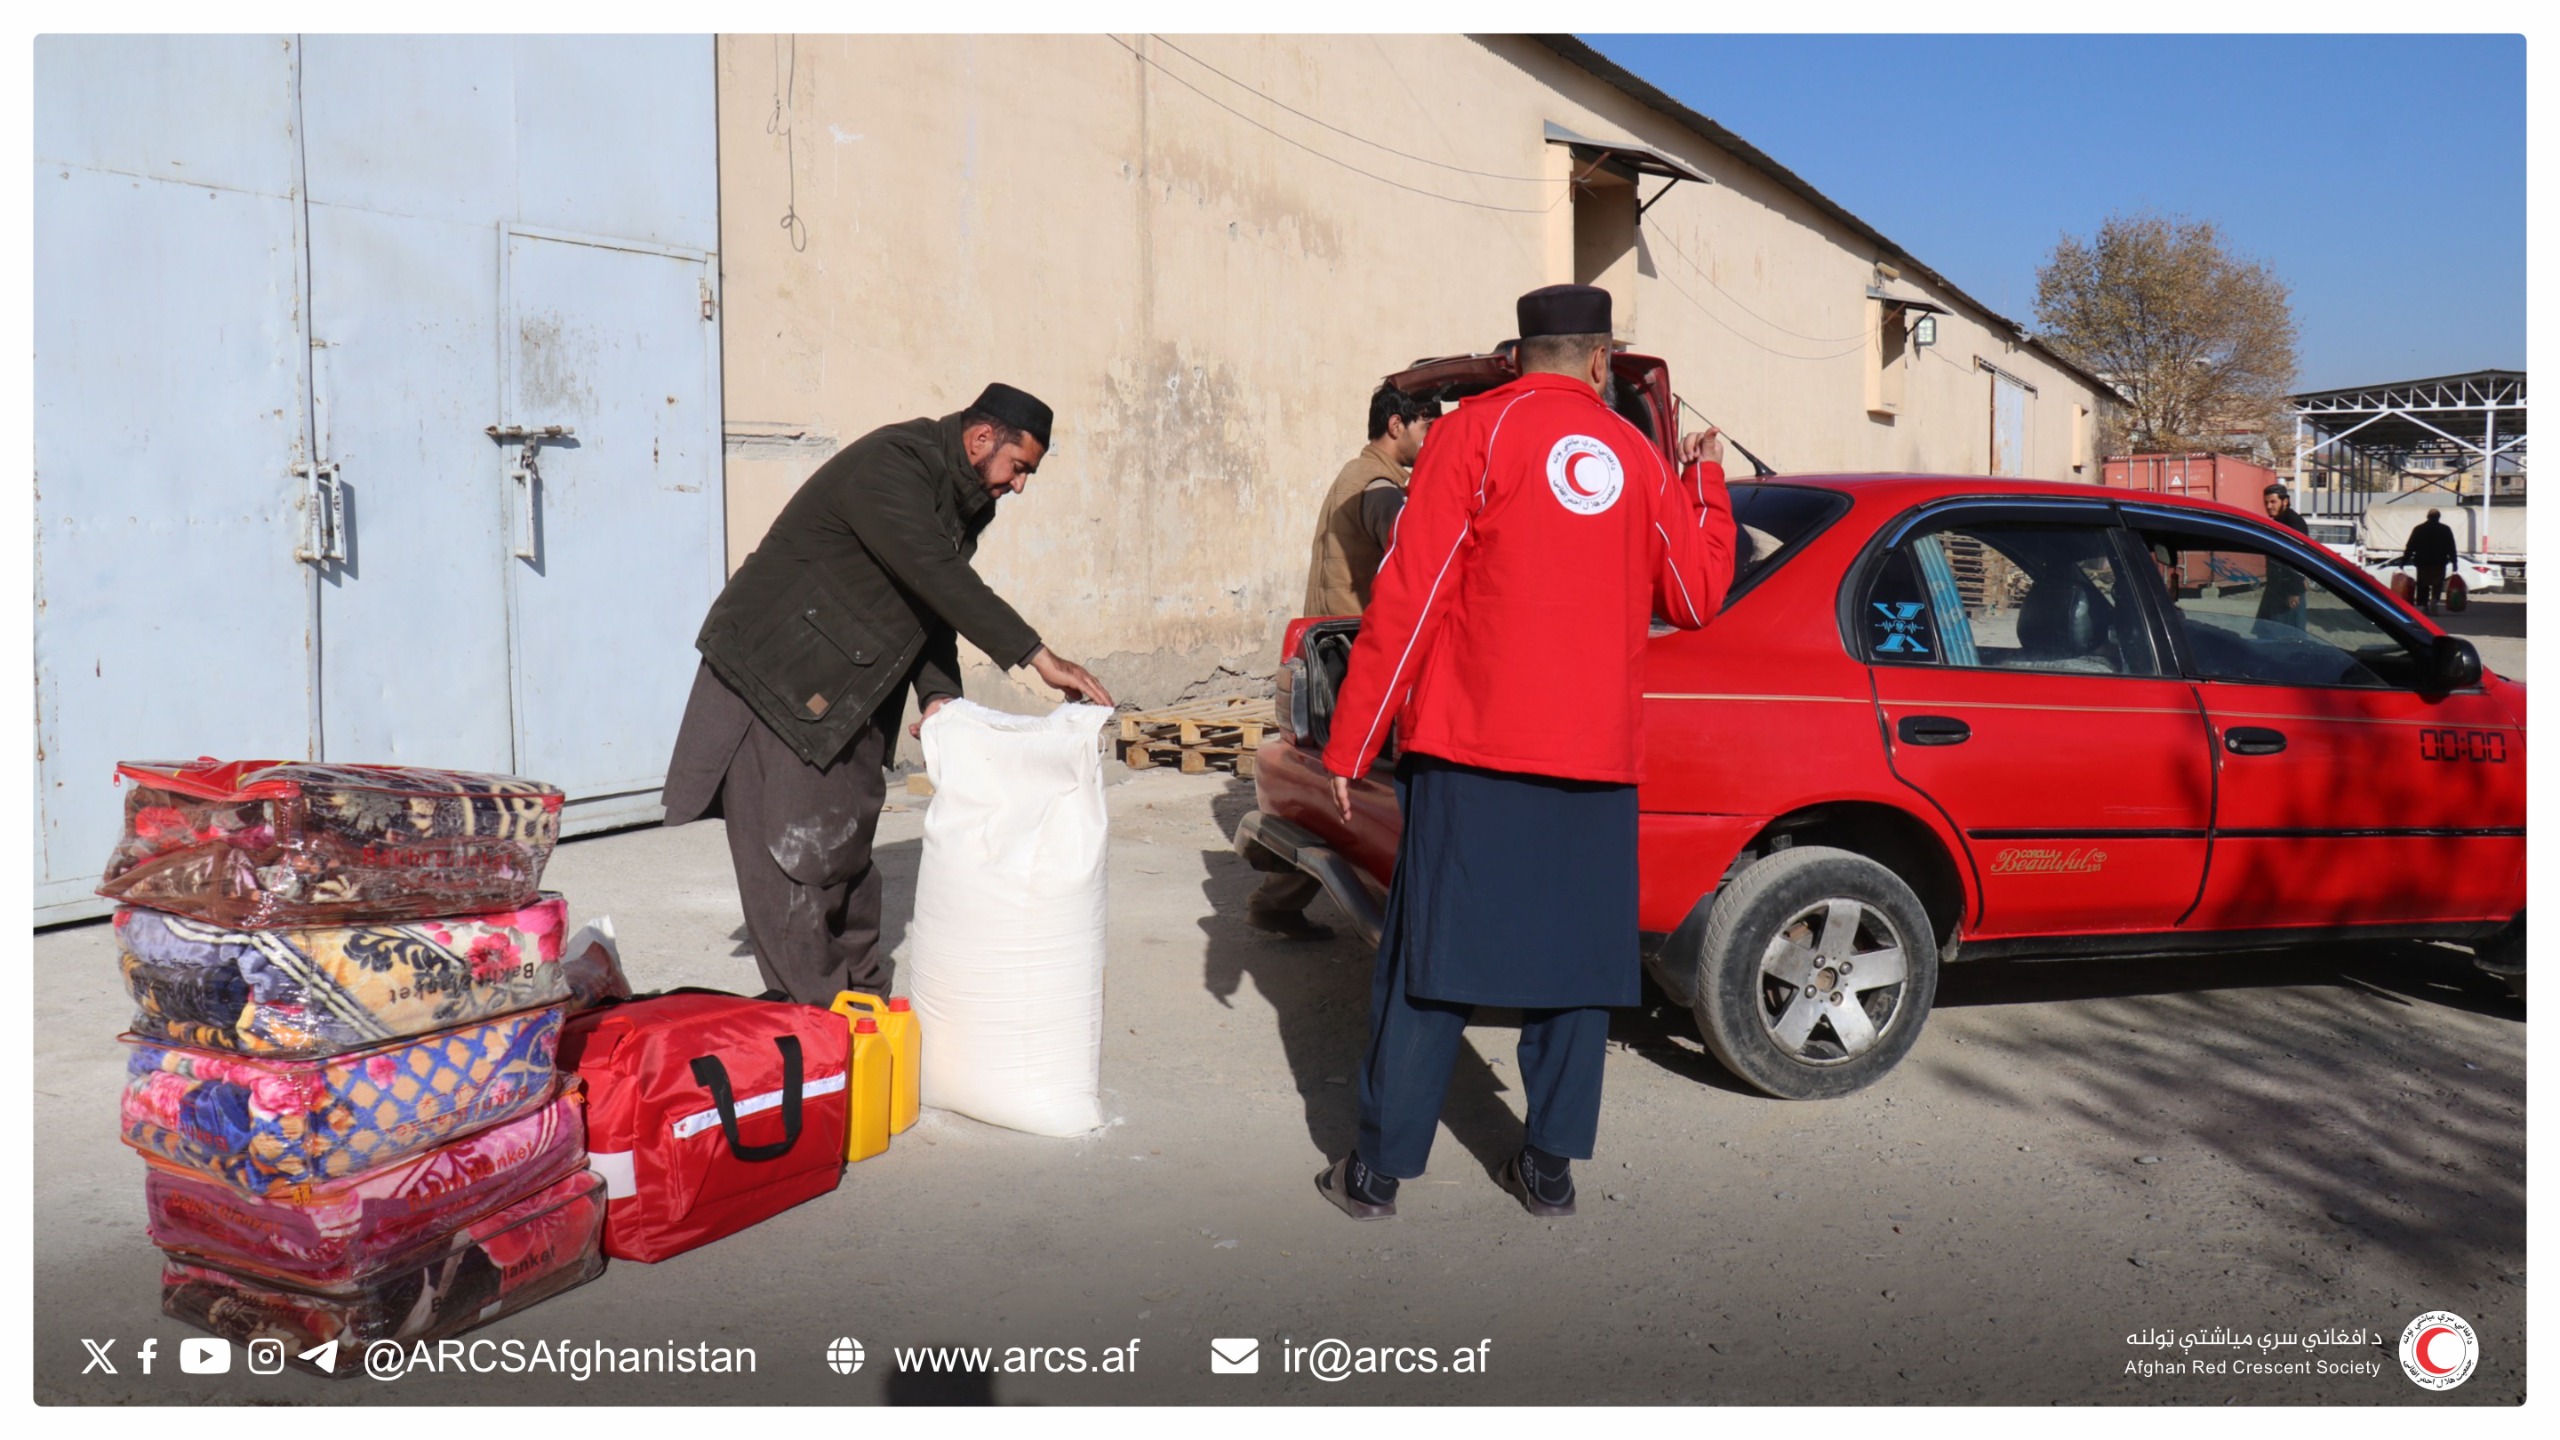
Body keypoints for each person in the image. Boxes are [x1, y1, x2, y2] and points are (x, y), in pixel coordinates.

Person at [1311, 284, 1737, 1221]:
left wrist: (1352, 742)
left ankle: (1378, 1174)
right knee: (1576, 972)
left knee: (1431, 960)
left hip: (1473, 753)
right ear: (1600, 359)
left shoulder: (1473, 434)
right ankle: (1548, 1171)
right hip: (1595, 765)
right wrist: (1704, 484)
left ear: (1518, 357)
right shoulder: (1634, 452)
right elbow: (1697, 596)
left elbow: (1411, 597)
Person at [662, 383, 1114, 1006]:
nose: (1019, 486)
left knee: (847, 852)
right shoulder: (892, 465)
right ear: (983, 439)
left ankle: (864, 1004)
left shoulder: (966, 498)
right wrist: (1039, 657)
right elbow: (936, 573)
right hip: (776, 674)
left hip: (849, 682)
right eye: (1019, 468)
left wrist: (937, 696)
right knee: (797, 858)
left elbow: (927, 601)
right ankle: (816, 1023)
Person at [1246, 382, 1445, 940]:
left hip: (1330, 648)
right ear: (1396, 426)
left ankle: (1277, 901)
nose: (1432, 441)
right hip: (1352, 656)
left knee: (1325, 791)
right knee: (1350, 798)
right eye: (1427, 428)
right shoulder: (1379, 487)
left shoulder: (1353, 475)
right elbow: (1409, 538)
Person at [2257, 483, 2312, 628]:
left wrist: (2294, 591)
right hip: (2277, 587)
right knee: (2268, 634)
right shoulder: (2280, 521)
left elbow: (2298, 559)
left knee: (2287, 637)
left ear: (2285, 501)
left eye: (2273, 501)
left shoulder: (2294, 523)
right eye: (2266, 502)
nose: (2269, 506)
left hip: (2288, 591)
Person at [2394, 507, 2460, 614]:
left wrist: (2403, 562)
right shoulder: (2445, 529)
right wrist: (2454, 563)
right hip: (2439, 563)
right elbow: (2451, 547)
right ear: (2439, 517)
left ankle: (2425, 606)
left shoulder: (2419, 529)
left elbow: (2410, 547)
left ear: (2427, 517)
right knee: (2437, 584)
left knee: (2423, 585)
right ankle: (2434, 600)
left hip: (2423, 563)